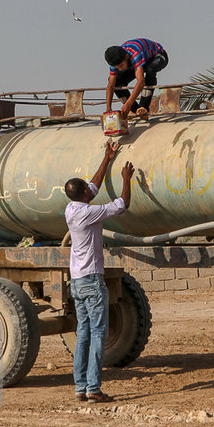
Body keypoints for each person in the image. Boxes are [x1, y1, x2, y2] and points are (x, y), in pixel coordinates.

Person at [63, 141, 134, 403]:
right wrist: (126, 179)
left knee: (82, 334)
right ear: (83, 194)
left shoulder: (71, 208)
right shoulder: (89, 213)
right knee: (97, 334)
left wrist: (107, 159)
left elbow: (92, 186)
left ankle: (81, 387)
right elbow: (122, 204)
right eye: (86, 188)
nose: (90, 189)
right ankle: (93, 387)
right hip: (92, 281)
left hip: (78, 282)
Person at [104, 38, 169, 117]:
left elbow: (141, 81)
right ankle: (134, 109)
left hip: (158, 56)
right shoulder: (115, 61)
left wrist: (128, 103)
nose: (120, 69)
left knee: (150, 70)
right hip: (138, 62)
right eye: (117, 67)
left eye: (121, 66)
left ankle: (143, 106)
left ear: (127, 57)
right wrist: (108, 108)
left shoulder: (135, 53)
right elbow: (110, 86)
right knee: (117, 81)